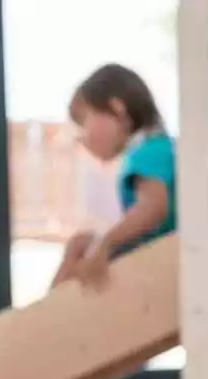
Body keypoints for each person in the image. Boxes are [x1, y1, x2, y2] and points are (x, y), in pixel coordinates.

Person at [51, 63, 177, 289]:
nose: (82, 137)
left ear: (117, 109)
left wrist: (106, 243)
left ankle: (46, 315)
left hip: (160, 267)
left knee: (79, 247)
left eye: (84, 121)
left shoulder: (147, 152)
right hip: (161, 256)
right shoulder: (167, 148)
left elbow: (154, 207)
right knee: (80, 244)